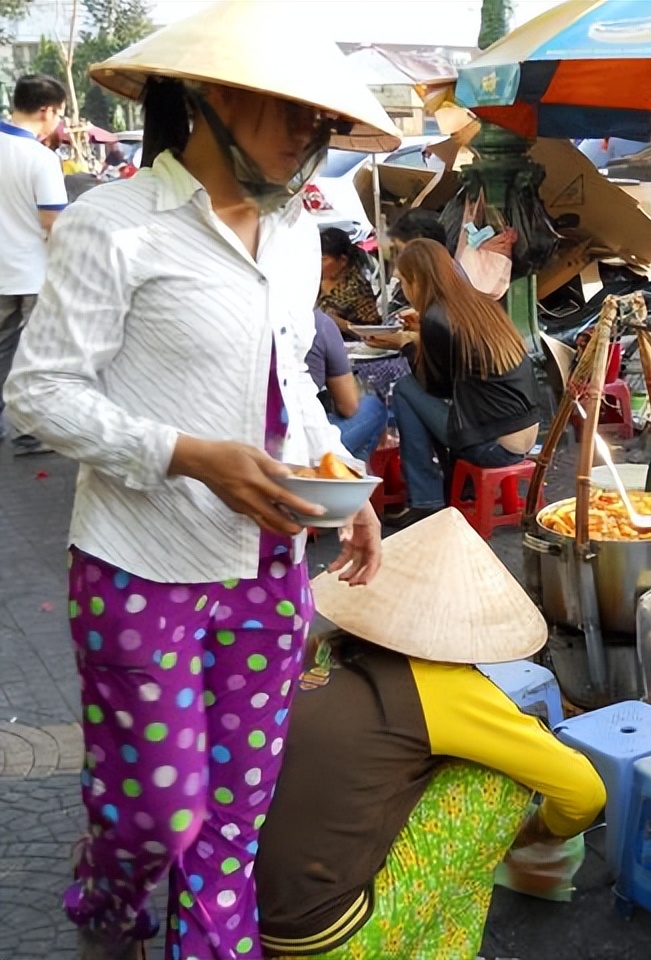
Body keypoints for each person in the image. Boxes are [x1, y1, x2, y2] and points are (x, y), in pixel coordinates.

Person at [1, 3, 396, 957]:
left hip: (269, 573)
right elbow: (39, 391)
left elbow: (292, 372)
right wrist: (189, 454)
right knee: (157, 814)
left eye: (321, 119)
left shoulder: (294, 232)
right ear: (215, 96)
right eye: (291, 111)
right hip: (139, 566)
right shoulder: (115, 224)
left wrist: (339, 470)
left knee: (233, 821)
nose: (309, 136)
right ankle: (108, 900)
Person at [256, 510, 606, 958]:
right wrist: (532, 836)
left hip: (247, 912)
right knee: (498, 780)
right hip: (331, 939)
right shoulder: (443, 686)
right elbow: (584, 792)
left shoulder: (325, 649)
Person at [385, 239, 540, 524]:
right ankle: (454, 485)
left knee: (405, 389)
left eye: (403, 282)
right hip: (526, 437)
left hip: (492, 446)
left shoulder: (436, 317)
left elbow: (436, 388)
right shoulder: (481, 304)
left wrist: (409, 344)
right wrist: (423, 337)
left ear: (415, 281)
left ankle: (425, 499)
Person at [0, 73, 67, 457]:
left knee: (2, 350)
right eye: (59, 114)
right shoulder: (40, 158)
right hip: (32, 274)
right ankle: (28, 432)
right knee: (37, 354)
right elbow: (52, 222)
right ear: (46, 111)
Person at [306, 309, 388, 462]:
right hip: (302, 443)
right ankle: (351, 471)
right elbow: (348, 407)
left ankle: (351, 469)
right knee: (375, 406)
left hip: (262, 442)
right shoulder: (319, 323)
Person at [318, 227, 380, 331]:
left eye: (323, 260)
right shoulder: (313, 283)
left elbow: (372, 331)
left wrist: (339, 323)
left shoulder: (358, 289)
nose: (317, 264)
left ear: (343, 260)